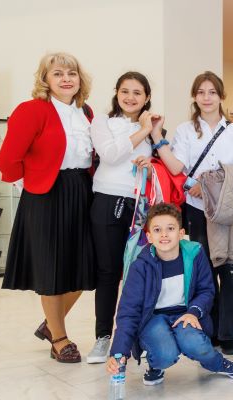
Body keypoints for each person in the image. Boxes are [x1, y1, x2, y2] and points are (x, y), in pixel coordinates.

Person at [0, 52, 97, 363]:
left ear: (80, 79)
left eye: (71, 73)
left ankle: (51, 323)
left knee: (88, 266)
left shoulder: (87, 112)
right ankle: (60, 339)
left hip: (82, 190)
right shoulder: (31, 110)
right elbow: (7, 159)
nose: (66, 79)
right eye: (58, 73)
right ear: (45, 80)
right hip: (45, 194)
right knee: (52, 268)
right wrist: (29, 186)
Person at [107, 203, 233, 385]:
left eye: (170, 229)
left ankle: (218, 363)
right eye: (157, 230)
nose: (164, 234)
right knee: (165, 353)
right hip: (153, 318)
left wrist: (193, 312)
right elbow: (128, 311)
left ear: (181, 233)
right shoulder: (140, 266)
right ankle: (155, 364)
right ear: (149, 237)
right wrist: (119, 352)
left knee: (197, 345)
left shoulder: (195, 254)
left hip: (185, 314)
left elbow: (206, 290)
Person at [162, 71, 233, 354]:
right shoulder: (185, 130)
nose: (206, 97)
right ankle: (210, 329)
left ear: (221, 96)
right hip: (196, 209)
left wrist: (210, 185)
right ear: (194, 96)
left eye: (212, 92)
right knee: (205, 272)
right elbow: (177, 167)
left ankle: (229, 333)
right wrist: (193, 185)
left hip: (227, 211)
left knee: (230, 272)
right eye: (201, 92)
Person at [87, 71, 163, 363]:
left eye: (137, 93)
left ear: (147, 97)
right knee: (108, 272)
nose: (130, 98)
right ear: (116, 93)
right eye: (125, 91)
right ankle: (103, 337)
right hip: (107, 201)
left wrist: (151, 164)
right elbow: (110, 155)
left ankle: (136, 336)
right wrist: (144, 130)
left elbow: (163, 167)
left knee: (140, 273)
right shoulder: (102, 122)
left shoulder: (154, 126)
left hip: (141, 206)